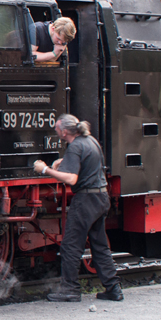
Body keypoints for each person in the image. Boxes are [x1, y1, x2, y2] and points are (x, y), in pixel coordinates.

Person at [33, 114, 124, 302]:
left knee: (70, 246)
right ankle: (113, 289)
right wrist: (63, 162)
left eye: (57, 128)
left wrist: (45, 170)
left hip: (86, 200)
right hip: (101, 197)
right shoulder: (90, 141)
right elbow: (86, 164)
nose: (56, 130)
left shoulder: (75, 147)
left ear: (65, 131)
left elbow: (72, 179)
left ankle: (70, 290)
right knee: (100, 246)